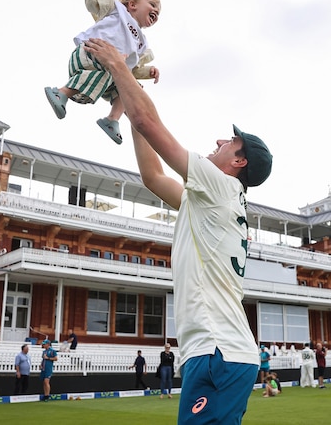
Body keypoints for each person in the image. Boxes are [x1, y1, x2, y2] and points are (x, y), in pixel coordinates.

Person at [82, 37, 272, 424]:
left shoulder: (219, 185)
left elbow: (148, 123)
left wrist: (120, 66)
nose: (219, 140)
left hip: (217, 353)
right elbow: (153, 176)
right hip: (222, 352)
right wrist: (127, 83)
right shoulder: (215, 197)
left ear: (237, 160)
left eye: (229, 140)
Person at [44, 0, 161, 145]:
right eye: (152, 4)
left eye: (158, 11)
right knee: (112, 68)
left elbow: (131, 68)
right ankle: (61, 92)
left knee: (132, 86)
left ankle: (111, 120)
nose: (156, 10)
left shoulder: (141, 43)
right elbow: (97, 2)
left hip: (107, 71)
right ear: (132, 5)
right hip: (88, 55)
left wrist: (149, 71)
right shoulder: (117, 12)